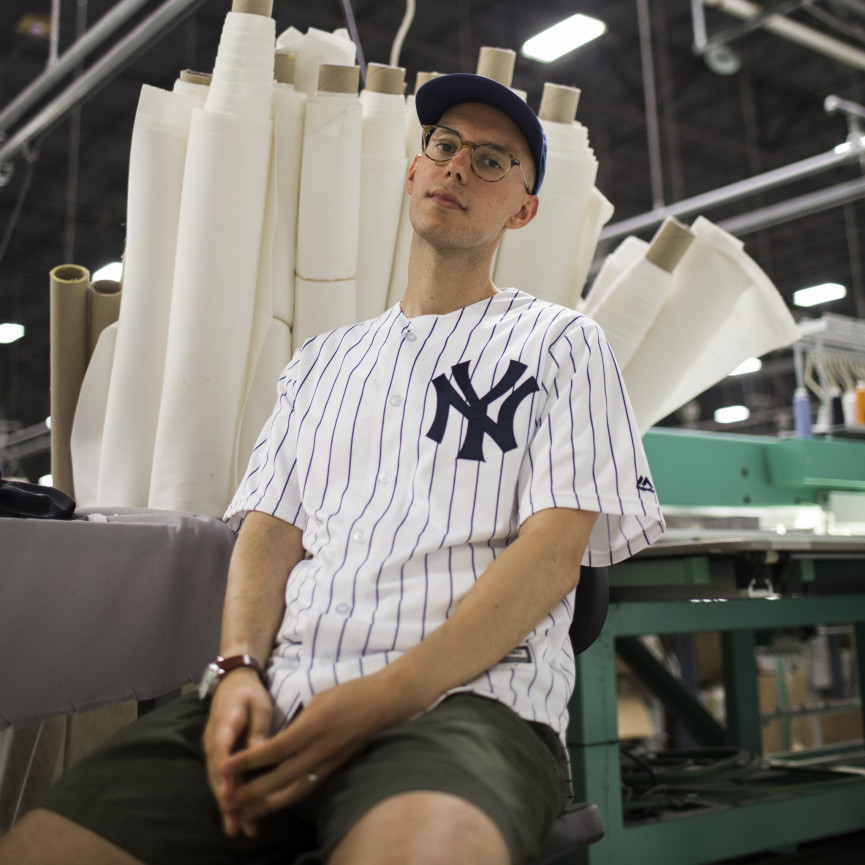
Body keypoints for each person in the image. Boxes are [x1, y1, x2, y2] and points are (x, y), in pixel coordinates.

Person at [0, 73, 664, 865]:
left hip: (469, 704)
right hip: (283, 691)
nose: (456, 167)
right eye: (444, 147)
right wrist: (239, 667)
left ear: (522, 210)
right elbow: (268, 533)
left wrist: (392, 691)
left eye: (490, 162)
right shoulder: (321, 363)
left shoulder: (559, 343)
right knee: (45, 844)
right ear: (414, 170)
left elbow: (554, 554)